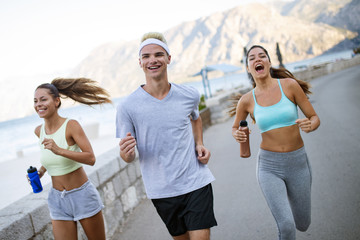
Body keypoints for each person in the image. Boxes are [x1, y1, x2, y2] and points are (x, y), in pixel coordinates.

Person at [116, 32, 217, 240]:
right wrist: (125, 154)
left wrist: (199, 143)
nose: (152, 60)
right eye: (146, 56)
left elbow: (195, 118)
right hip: (161, 190)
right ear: (140, 62)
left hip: (196, 181)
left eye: (158, 54)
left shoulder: (188, 95)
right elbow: (128, 156)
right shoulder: (128, 106)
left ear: (168, 59)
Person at [230, 45, 320, 240]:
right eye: (252, 58)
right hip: (269, 166)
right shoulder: (246, 100)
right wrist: (237, 134)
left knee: (303, 224)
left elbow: (314, 117)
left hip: (298, 163)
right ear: (248, 67)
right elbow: (235, 127)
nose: (257, 60)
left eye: (262, 56)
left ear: (269, 62)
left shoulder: (289, 86)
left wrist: (310, 125)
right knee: (286, 226)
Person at [31, 78, 111, 240]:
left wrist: (59, 150)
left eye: (43, 99)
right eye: (35, 101)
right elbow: (49, 155)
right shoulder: (39, 131)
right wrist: (40, 171)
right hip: (57, 199)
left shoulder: (71, 125)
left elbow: (90, 158)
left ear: (57, 101)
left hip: (81, 195)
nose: (38, 104)